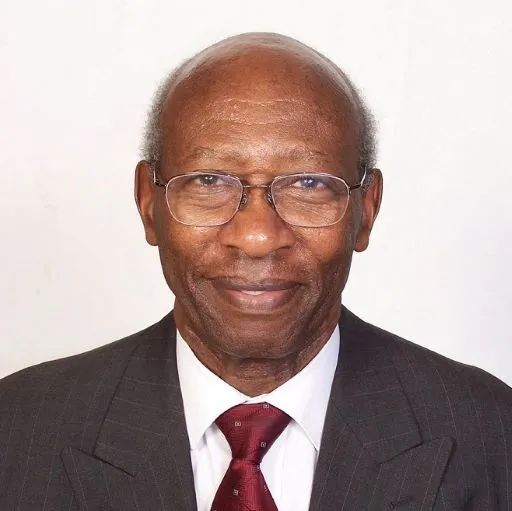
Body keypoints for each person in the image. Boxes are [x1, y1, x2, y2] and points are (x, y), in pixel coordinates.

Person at [0, 32, 510, 511]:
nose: (258, 237)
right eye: (208, 180)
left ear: (367, 210)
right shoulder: (18, 430)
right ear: (148, 204)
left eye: (309, 184)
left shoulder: (491, 434)